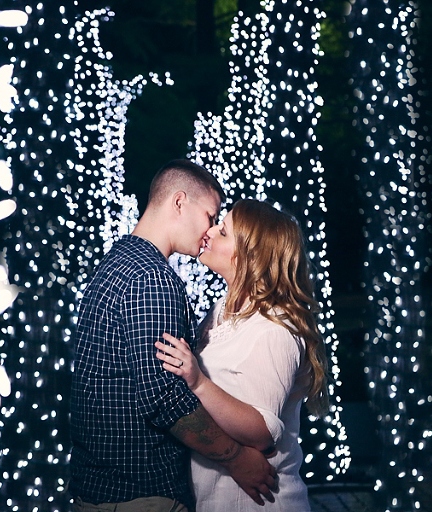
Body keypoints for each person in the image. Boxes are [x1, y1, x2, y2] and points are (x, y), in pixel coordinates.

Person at [70, 161, 278, 512]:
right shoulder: (152, 279)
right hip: (141, 493)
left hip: (101, 490)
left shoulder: (117, 263)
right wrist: (237, 458)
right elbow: (165, 398)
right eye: (210, 216)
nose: (210, 230)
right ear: (179, 203)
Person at [155, 199, 329, 512]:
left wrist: (197, 382)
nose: (209, 232)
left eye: (223, 232)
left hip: (256, 503)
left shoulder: (274, 329)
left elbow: (263, 432)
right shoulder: (223, 310)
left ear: (251, 256)